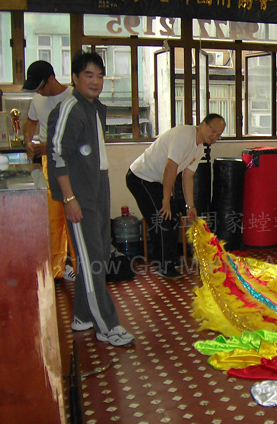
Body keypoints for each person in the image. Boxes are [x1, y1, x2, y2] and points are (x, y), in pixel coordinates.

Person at [48, 52, 134, 346]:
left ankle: (83, 315)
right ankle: (107, 326)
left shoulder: (93, 108)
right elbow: (57, 156)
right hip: (80, 196)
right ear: (75, 78)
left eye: (99, 76)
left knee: (97, 256)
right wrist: (69, 198)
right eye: (88, 75)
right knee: (93, 260)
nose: (95, 81)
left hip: (98, 188)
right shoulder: (70, 108)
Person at [126, 113, 226, 279]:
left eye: (218, 135)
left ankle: (168, 259)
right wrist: (165, 200)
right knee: (162, 219)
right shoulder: (184, 136)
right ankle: (164, 265)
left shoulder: (199, 148)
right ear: (203, 124)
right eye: (213, 131)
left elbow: (187, 177)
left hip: (156, 181)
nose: (214, 137)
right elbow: (170, 168)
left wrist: (190, 206)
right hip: (141, 178)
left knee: (172, 218)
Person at [22, 60, 76, 282]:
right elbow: (30, 122)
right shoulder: (38, 99)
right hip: (48, 164)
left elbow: (78, 138)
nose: (39, 92)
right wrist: (28, 140)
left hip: (72, 164)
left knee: (74, 216)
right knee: (53, 219)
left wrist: (50, 146)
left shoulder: (73, 97)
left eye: (40, 87)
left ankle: (81, 268)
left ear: (52, 79)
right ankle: (56, 269)